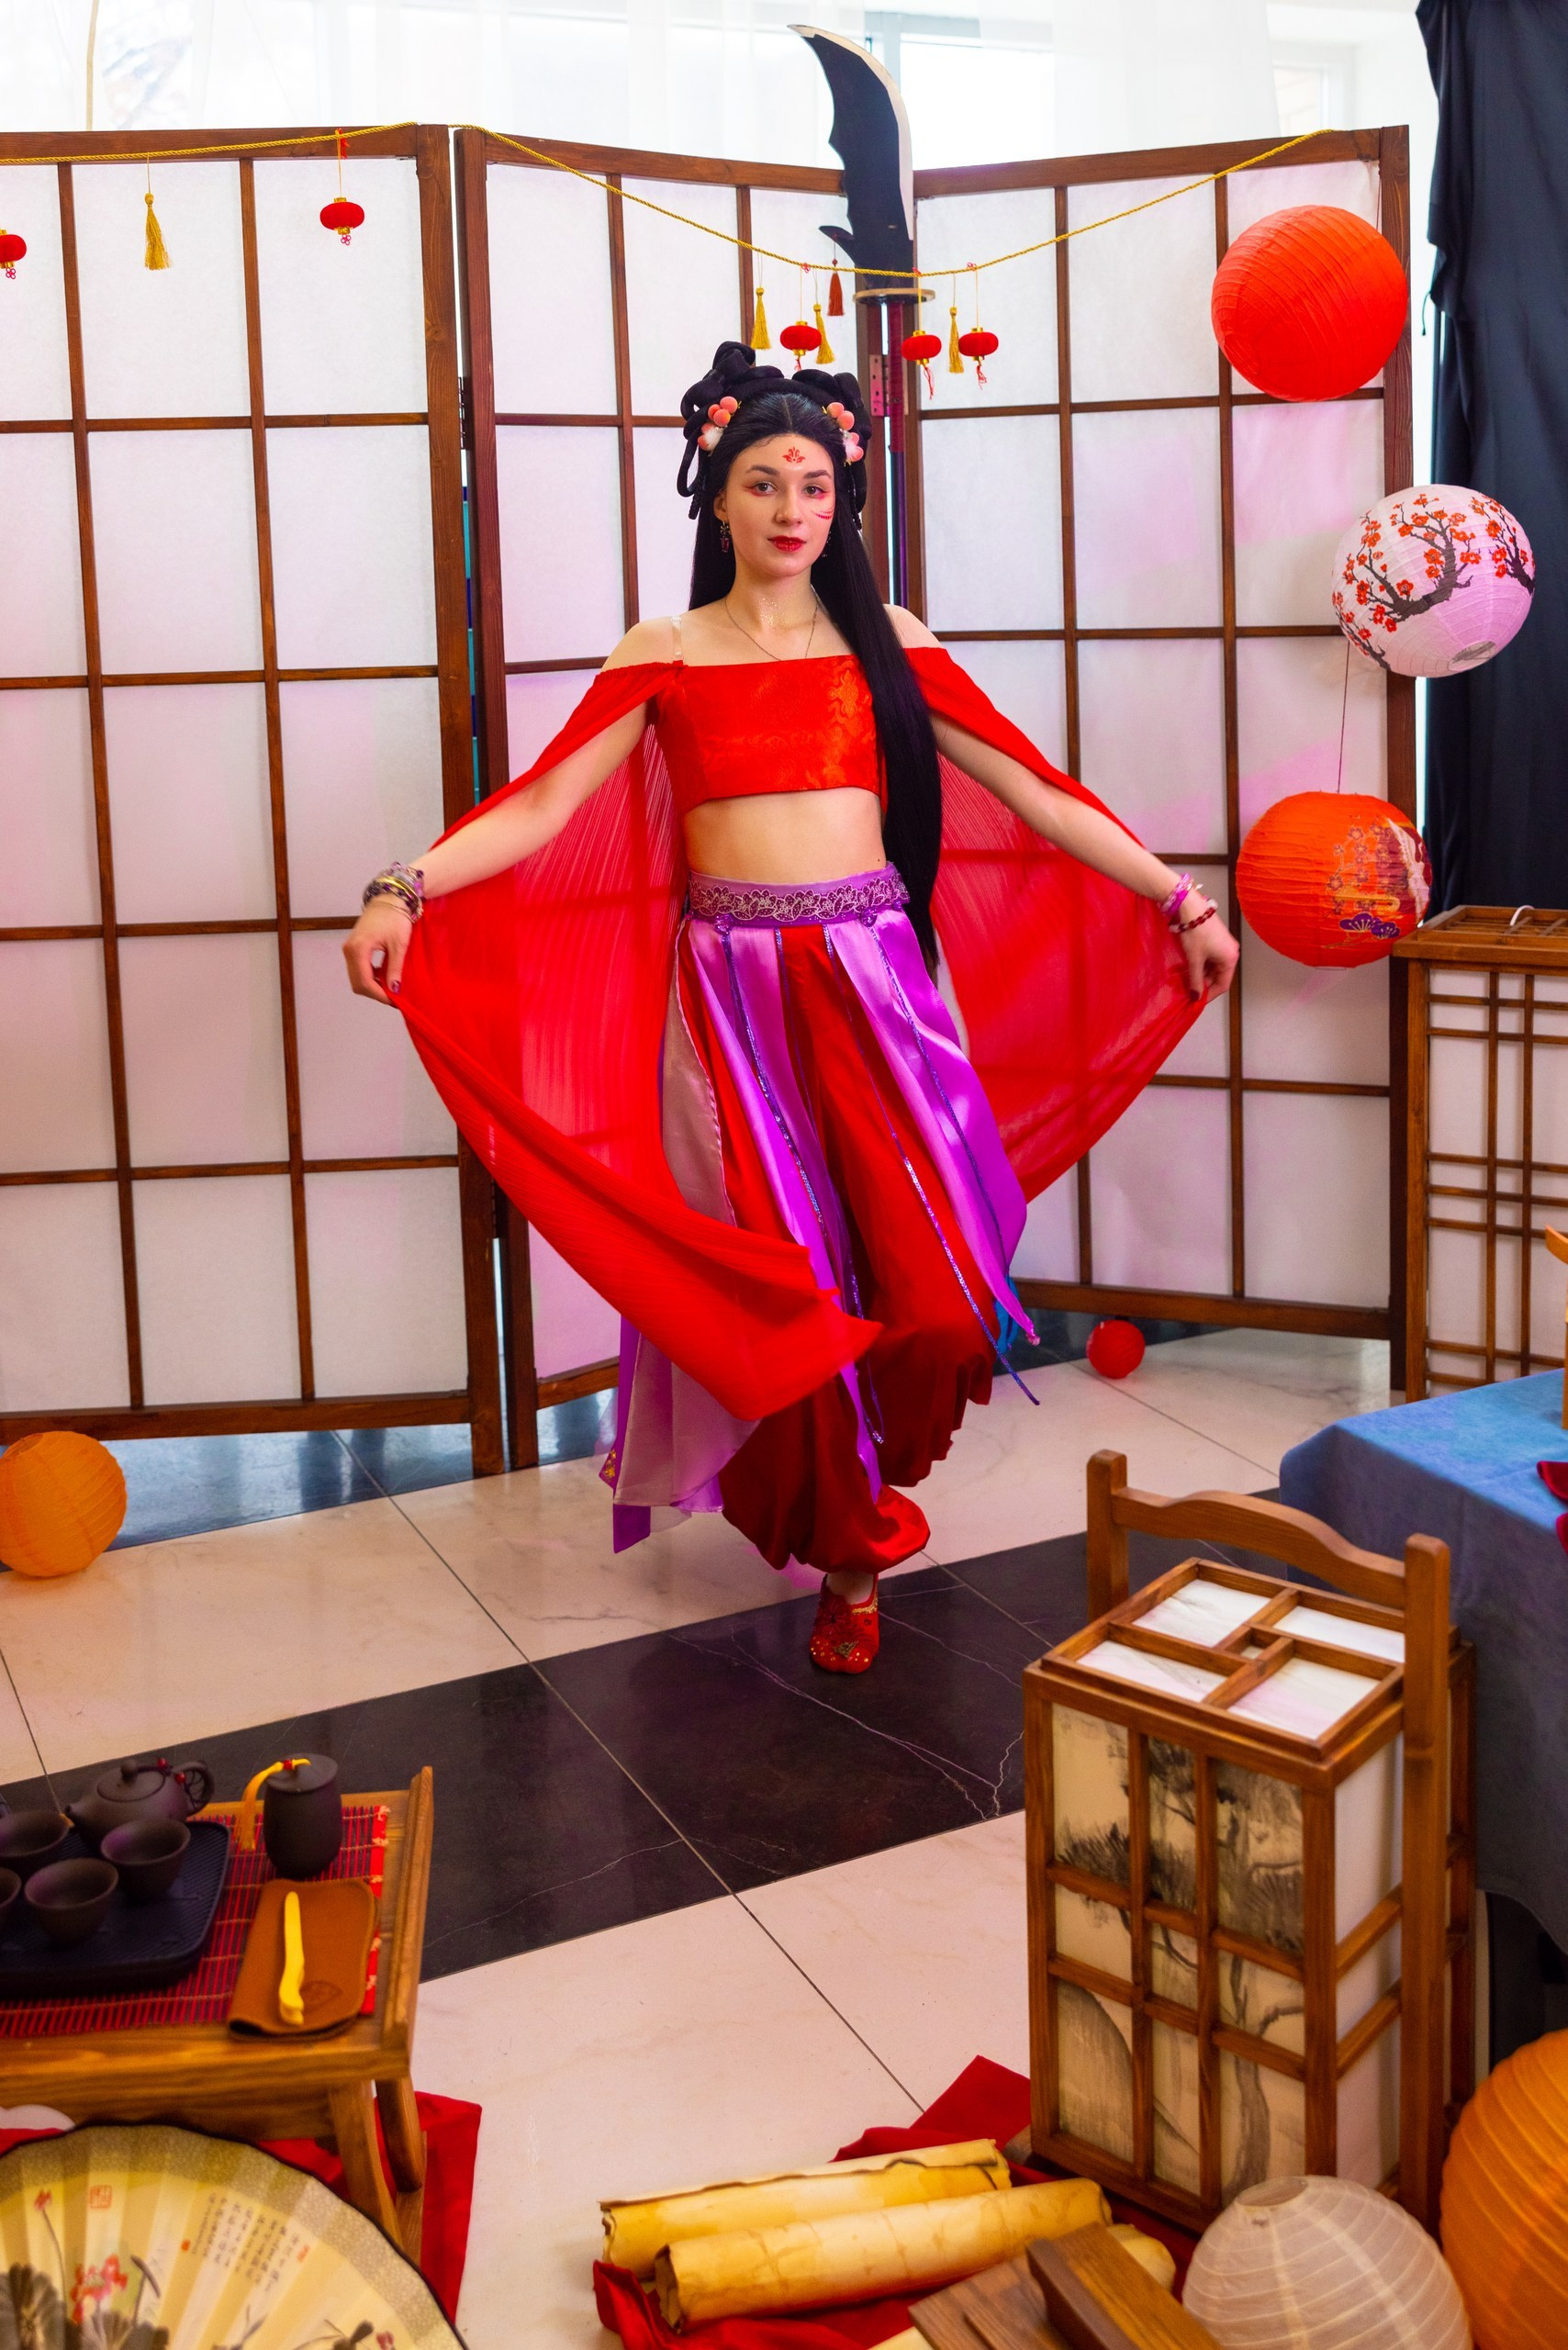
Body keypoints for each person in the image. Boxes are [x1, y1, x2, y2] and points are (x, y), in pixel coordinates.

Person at [343, 341, 1238, 1674]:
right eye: (762, 482)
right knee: (789, 1294)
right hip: (730, 1008)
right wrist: (402, 887)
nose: (790, 508)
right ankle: (846, 1552)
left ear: (842, 499)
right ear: (716, 496)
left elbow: (1037, 790)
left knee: (935, 1298)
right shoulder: (668, 651)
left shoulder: (891, 646)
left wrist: (1178, 900)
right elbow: (540, 807)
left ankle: (863, 1471)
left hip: (877, 992)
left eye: (814, 484)